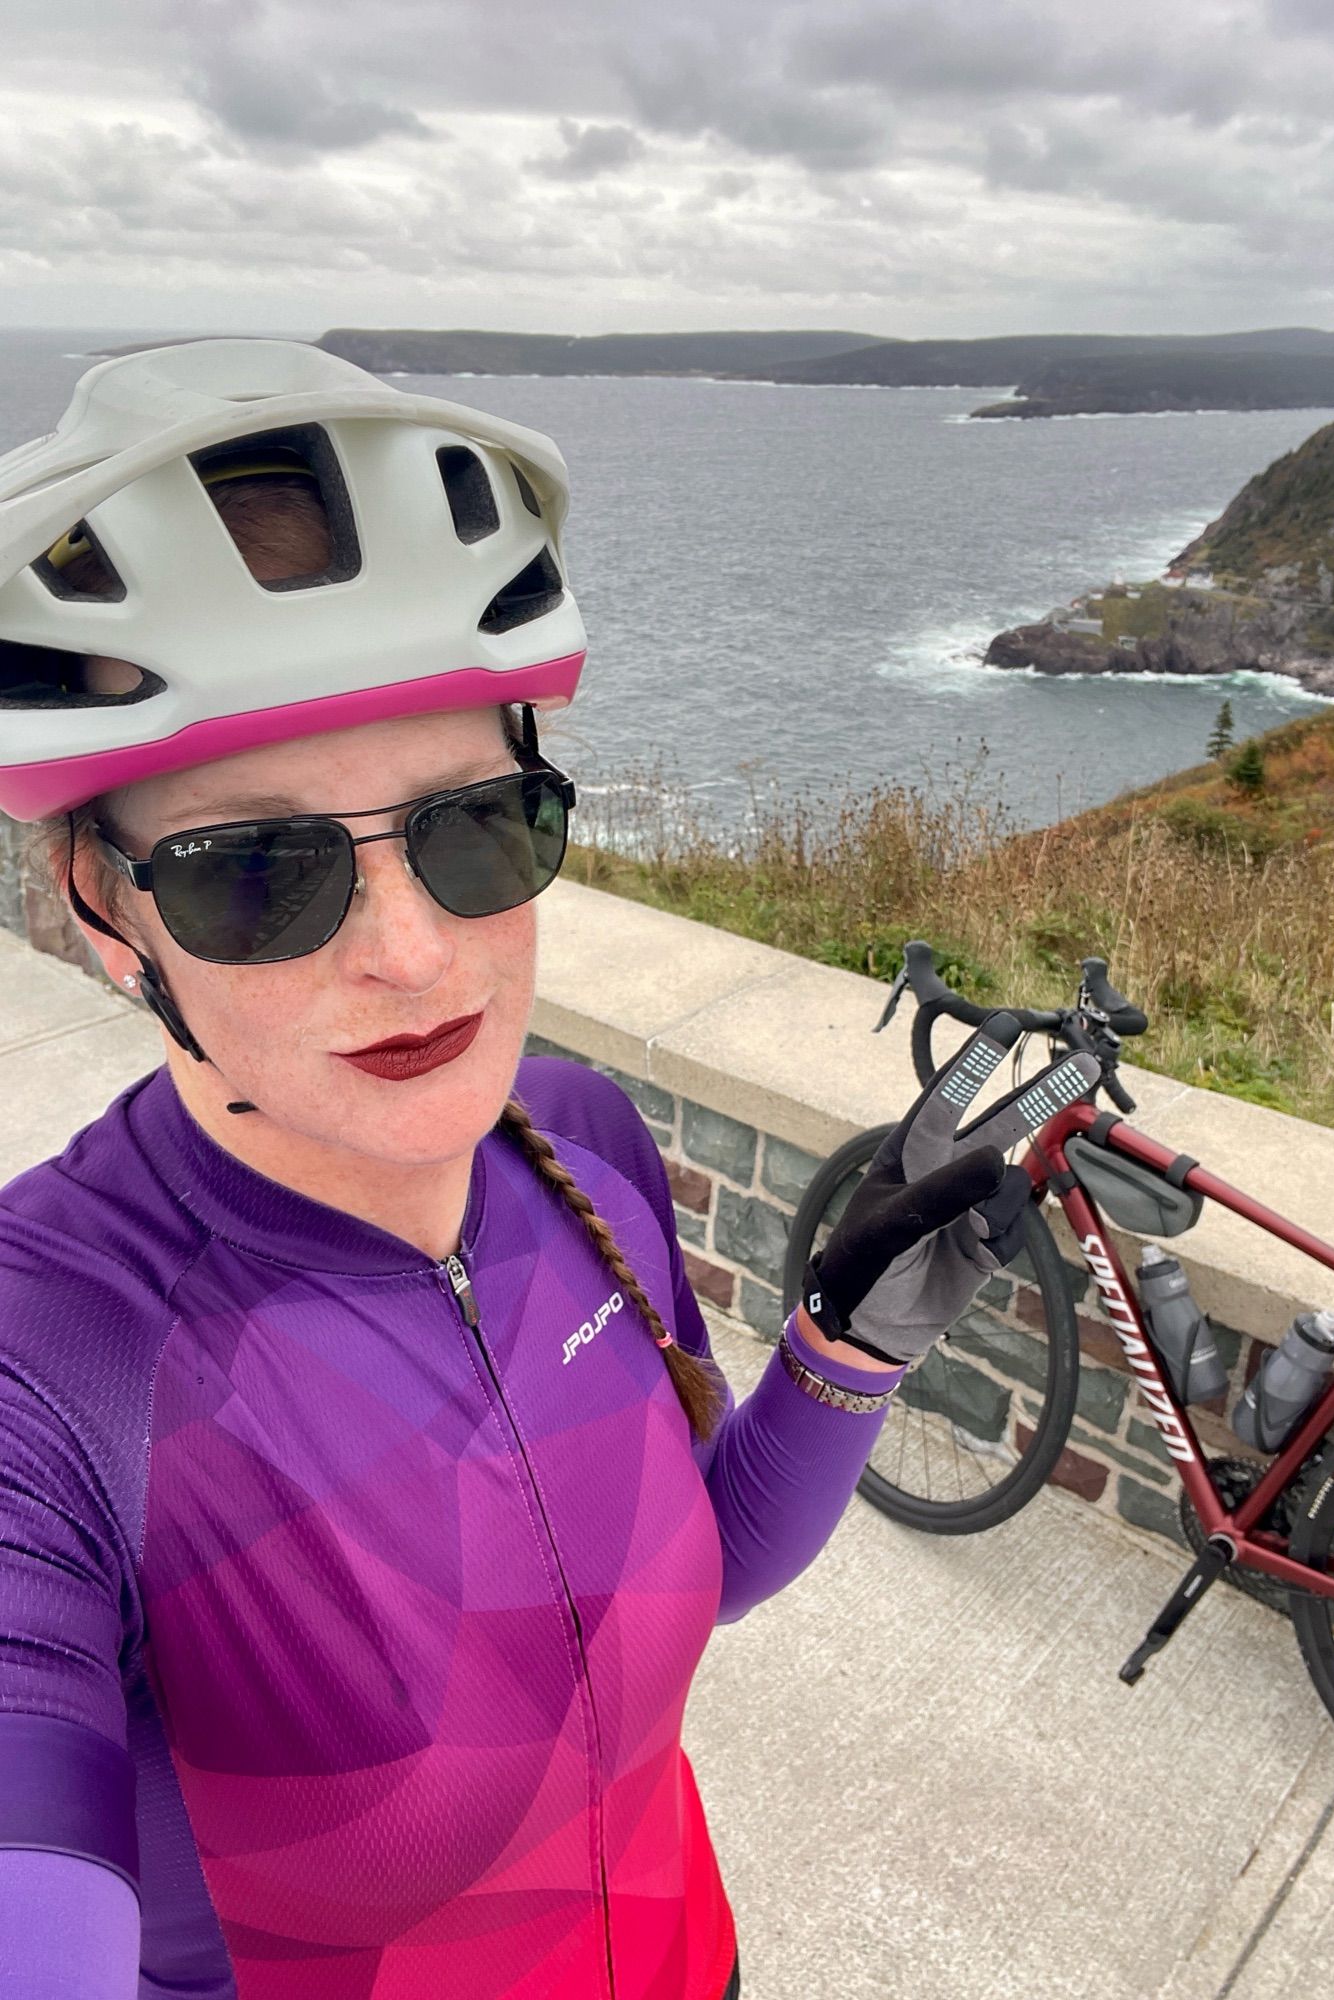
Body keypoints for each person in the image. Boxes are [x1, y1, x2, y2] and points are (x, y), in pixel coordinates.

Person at [0, 341, 1032, 1999]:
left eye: (478, 827)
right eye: (254, 873)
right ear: (103, 910)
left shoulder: (579, 1141)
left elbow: (670, 1589)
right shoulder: (49, 1361)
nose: (414, 956)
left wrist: (846, 1360)